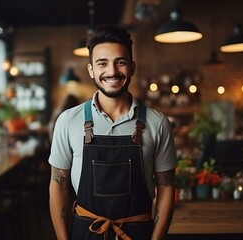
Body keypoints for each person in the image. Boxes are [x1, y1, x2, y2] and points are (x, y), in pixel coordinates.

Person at [48, 24, 177, 240]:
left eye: (121, 62)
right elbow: (58, 184)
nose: (112, 71)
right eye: (102, 63)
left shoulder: (158, 123)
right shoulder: (68, 121)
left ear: (132, 67)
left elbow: (166, 187)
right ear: (91, 70)